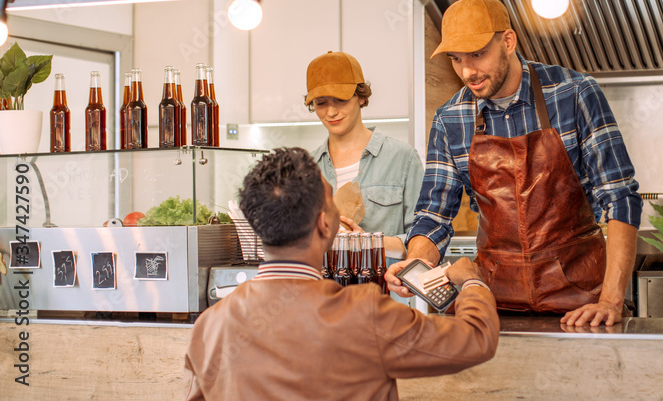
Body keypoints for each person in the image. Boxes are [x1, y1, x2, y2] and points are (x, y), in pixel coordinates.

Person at [387, 0, 642, 327]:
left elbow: (621, 197)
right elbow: (434, 216)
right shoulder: (450, 118)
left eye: (478, 55)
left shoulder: (574, 93)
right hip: (493, 303)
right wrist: (414, 266)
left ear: (508, 41)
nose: (467, 71)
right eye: (456, 58)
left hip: (580, 303)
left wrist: (610, 301)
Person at [183, 147, 498, 401]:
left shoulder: (209, 326)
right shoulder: (364, 313)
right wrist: (471, 280)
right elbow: (476, 339)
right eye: (332, 201)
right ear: (325, 224)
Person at [305, 51, 423, 262]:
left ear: (361, 97)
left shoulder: (402, 159)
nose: (331, 112)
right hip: (323, 292)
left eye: (340, 100)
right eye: (321, 103)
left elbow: (422, 243)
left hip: (383, 292)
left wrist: (367, 243)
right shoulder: (307, 169)